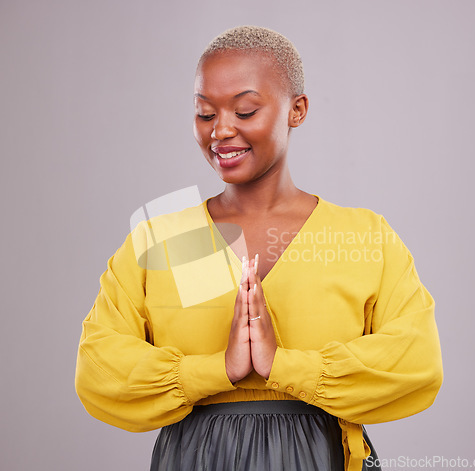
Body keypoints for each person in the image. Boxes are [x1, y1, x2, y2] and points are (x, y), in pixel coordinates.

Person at [75, 25, 443, 471]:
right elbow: (98, 370)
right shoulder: (163, 236)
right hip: (194, 459)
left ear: (297, 110)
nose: (221, 131)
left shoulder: (361, 235)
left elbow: (416, 363)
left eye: (245, 111)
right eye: (205, 114)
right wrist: (217, 370)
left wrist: (284, 366)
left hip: (317, 456)